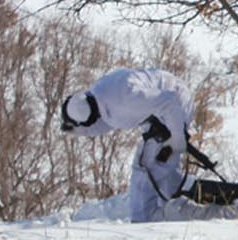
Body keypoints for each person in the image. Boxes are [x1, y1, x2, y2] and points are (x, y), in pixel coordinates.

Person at [59, 67, 195, 222]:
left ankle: (203, 216)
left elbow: (168, 102)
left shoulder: (126, 101)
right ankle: (185, 204)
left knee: (146, 174)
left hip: (176, 105)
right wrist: (79, 131)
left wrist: (177, 138)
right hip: (162, 111)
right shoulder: (99, 95)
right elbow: (109, 120)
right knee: (159, 178)